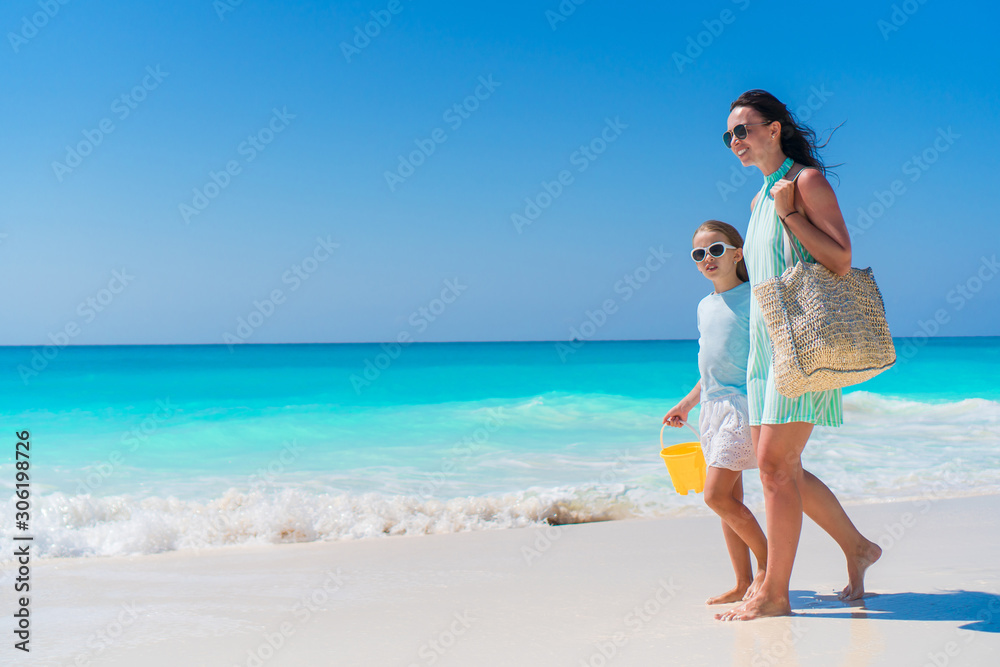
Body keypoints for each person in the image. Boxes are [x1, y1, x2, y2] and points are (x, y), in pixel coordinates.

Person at [716, 90, 882, 621]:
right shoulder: (758, 197)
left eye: (744, 129)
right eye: (729, 134)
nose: (736, 141)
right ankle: (857, 548)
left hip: (806, 343)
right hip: (768, 349)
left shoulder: (804, 183)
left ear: (775, 129)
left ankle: (775, 593)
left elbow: (839, 258)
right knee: (783, 468)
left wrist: (791, 215)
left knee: (773, 466)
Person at [664, 220, 767, 605]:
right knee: (729, 501)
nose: (708, 258)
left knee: (716, 496)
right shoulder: (704, 305)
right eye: (699, 254)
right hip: (712, 409)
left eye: (716, 249)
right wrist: (687, 404)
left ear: (737, 253)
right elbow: (709, 367)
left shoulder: (753, 298)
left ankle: (768, 568)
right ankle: (742, 582)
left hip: (742, 407)